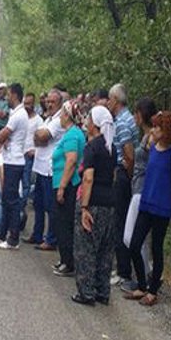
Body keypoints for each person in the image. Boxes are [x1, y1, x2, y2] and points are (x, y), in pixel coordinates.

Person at [124, 112, 171, 307]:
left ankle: (153, 290)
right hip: (146, 203)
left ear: (167, 131)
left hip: (161, 207)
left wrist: (167, 202)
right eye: (155, 127)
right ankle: (141, 283)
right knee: (134, 244)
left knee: (156, 248)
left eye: (159, 127)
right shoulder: (152, 148)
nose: (155, 130)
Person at [72, 106, 117, 306]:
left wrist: (84, 207)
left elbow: (88, 178)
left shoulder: (92, 147)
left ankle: (86, 292)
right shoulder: (111, 148)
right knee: (105, 250)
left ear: (95, 124)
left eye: (89, 118)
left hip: (94, 202)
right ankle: (102, 290)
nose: (86, 122)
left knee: (86, 247)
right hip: (110, 202)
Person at [121, 98, 158, 292]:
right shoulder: (145, 136)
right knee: (136, 237)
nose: (134, 117)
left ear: (142, 114)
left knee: (133, 237)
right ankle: (145, 274)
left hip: (142, 190)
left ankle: (144, 275)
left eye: (137, 113)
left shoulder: (151, 138)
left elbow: (156, 163)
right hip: (137, 187)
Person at [0, 83, 29, 250]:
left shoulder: (18, 115)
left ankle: (13, 238)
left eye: (9, 95)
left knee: (11, 201)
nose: (7, 98)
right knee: (5, 199)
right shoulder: (16, 113)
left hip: (14, 161)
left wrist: (0, 138)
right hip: (11, 159)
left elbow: (2, 135)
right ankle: (1, 233)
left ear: (15, 95)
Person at [108, 83, 140, 287]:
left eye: (110, 100)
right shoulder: (127, 118)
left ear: (116, 101)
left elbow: (129, 155)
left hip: (124, 175)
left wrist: (127, 177)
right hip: (125, 174)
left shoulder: (121, 122)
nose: (109, 104)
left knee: (120, 222)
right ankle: (123, 268)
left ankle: (123, 270)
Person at [51, 100, 85, 276]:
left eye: (62, 114)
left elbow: (71, 161)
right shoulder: (71, 133)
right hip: (61, 182)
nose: (60, 117)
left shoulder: (72, 135)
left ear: (67, 115)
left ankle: (69, 262)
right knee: (61, 222)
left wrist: (62, 187)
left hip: (68, 185)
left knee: (64, 222)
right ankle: (65, 259)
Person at [27, 89, 65, 250]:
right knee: (38, 205)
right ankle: (37, 235)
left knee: (51, 207)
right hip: (40, 167)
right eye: (48, 101)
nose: (49, 104)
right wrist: (39, 136)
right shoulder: (47, 119)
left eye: (52, 102)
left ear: (60, 103)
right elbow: (38, 139)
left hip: (50, 169)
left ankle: (51, 239)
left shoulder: (58, 120)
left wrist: (38, 135)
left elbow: (42, 137)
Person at [20, 93, 44, 228]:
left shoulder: (39, 120)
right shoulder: (21, 117)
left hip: (29, 156)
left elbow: (42, 138)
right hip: (19, 155)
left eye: (30, 104)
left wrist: (35, 151)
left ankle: (21, 210)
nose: (27, 106)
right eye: (25, 103)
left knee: (26, 184)